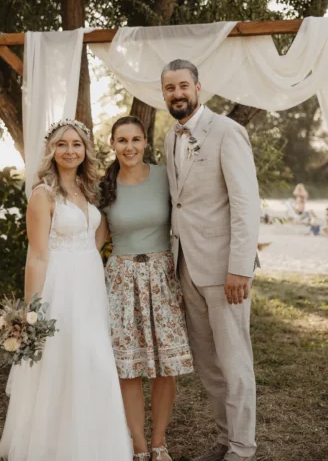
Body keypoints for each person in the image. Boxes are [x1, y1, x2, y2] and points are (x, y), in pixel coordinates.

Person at [0, 119, 132, 461]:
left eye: (76, 144)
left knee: (94, 359)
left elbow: (97, 234)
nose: (69, 150)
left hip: (90, 282)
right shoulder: (43, 195)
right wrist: (31, 310)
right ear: (52, 151)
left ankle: (96, 443)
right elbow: (38, 256)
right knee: (62, 361)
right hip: (61, 286)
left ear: (85, 150)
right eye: (62, 144)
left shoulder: (89, 191)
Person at [161, 60, 260, 461]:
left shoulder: (227, 132)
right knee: (208, 362)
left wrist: (239, 267)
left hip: (224, 270)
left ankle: (243, 447)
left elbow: (245, 203)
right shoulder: (170, 138)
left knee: (234, 359)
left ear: (199, 87)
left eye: (183, 86)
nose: (177, 94)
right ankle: (225, 438)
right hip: (186, 265)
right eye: (169, 89)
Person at [100, 116, 194, 461]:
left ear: (145, 143)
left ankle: (159, 443)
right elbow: (96, 240)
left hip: (162, 277)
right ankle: (138, 446)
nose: (130, 147)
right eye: (122, 140)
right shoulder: (103, 187)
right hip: (121, 281)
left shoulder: (163, 177)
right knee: (129, 366)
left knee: (165, 365)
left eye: (136, 140)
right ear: (112, 144)